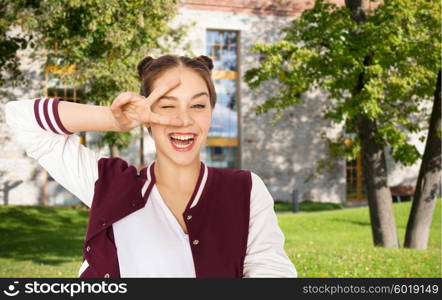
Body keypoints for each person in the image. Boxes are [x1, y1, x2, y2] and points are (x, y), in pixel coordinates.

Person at [4, 54, 297, 278]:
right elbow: (20, 117)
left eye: (198, 105)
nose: (183, 120)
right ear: (146, 116)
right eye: (167, 106)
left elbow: (270, 271)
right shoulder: (108, 184)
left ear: (211, 114)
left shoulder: (244, 188)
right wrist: (113, 119)